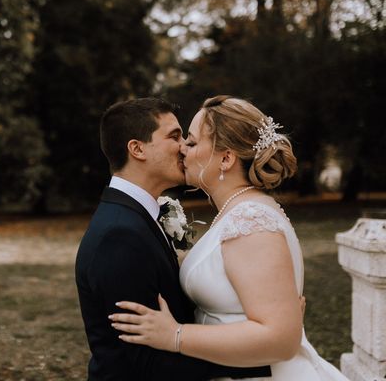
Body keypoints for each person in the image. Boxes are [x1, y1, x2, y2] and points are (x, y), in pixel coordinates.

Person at [109, 95, 349, 380]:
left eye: (193, 142)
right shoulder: (236, 213)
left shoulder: (250, 220)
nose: (182, 149)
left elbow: (281, 340)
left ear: (226, 158)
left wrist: (175, 335)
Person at [75, 97, 271, 380]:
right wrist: (259, 363)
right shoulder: (118, 235)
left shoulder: (135, 218)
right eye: (174, 136)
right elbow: (145, 361)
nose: (184, 148)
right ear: (137, 149)